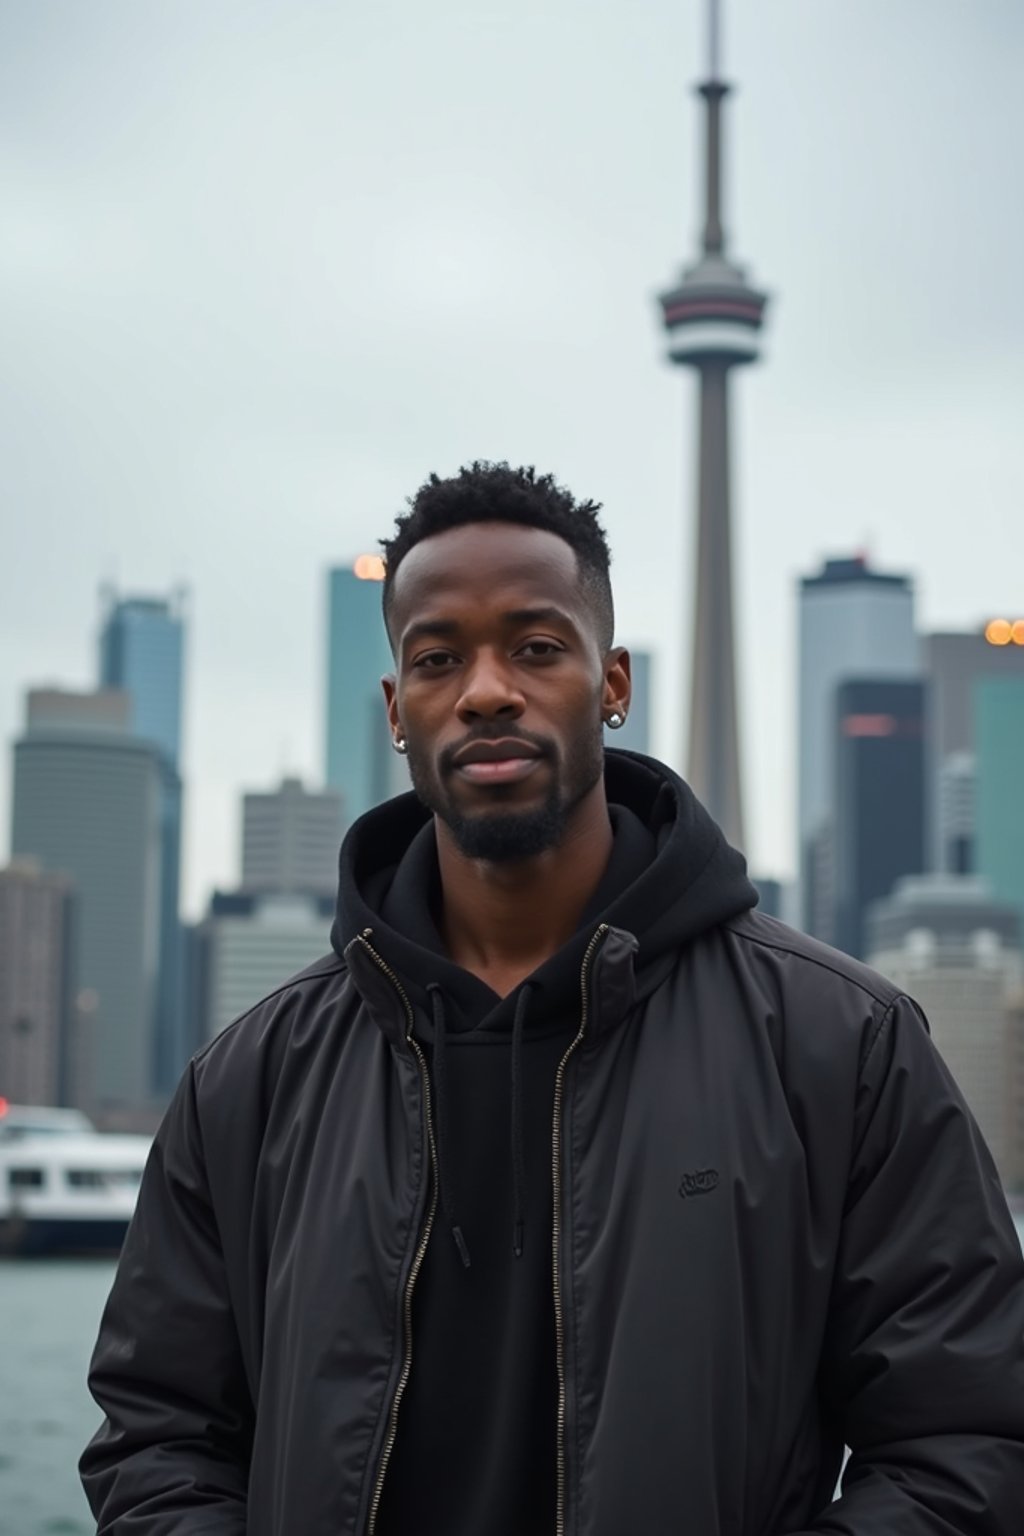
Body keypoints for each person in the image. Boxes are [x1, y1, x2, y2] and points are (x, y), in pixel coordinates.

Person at [81, 461, 1024, 1535]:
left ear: (612, 683)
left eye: (536, 647)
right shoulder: (251, 1078)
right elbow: (158, 1440)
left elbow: (965, 1442)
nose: (486, 689)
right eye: (438, 659)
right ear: (397, 707)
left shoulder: (837, 1046)